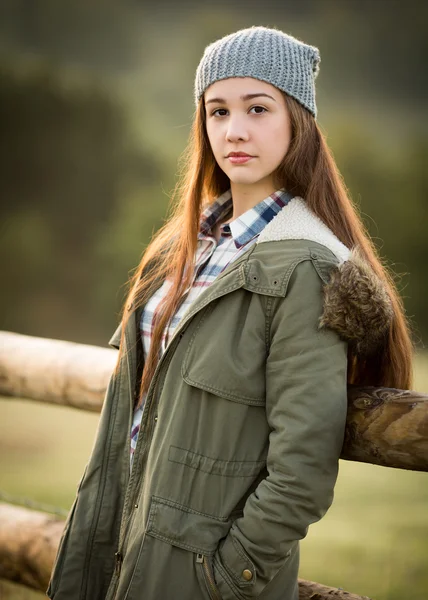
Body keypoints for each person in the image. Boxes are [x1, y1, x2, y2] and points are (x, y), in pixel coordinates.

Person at [46, 25, 413, 600]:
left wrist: (223, 579)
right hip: (116, 549)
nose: (234, 130)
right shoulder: (181, 251)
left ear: (299, 122)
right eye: (217, 111)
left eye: (258, 108)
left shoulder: (306, 269)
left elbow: (302, 469)